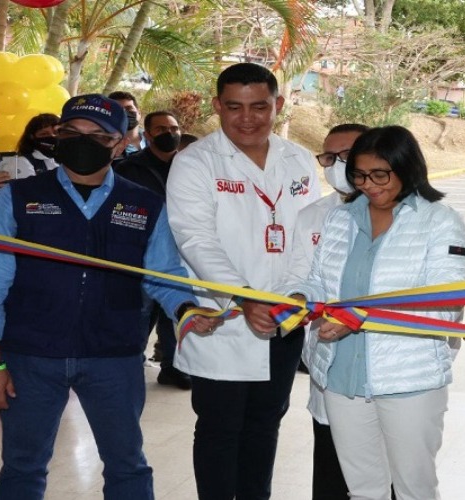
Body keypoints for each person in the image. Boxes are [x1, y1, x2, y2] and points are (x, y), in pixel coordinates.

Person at [0, 93, 221, 499]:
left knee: (127, 466)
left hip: (113, 356)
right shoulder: (16, 198)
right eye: (71, 132)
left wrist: (185, 309)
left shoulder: (145, 204)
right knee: (23, 467)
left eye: (98, 135)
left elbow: (163, 274)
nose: (82, 142)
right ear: (58, 135)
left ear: (120, 143)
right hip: (30, 357)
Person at [281, 125, 465, 500]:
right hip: (340, 377)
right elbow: (319, 279)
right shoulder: (341, 218)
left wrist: (359, 319)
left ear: (408, 169)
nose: (368, 185)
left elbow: (444, 307)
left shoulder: (439, 221)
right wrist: (300, 297)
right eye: (360, 175)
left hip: (408, 380)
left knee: (413, 488)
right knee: (364, 490)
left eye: (380, 174)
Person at [166, 62, 320, 499]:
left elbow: (308, 236)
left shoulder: (299, 160)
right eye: (234, 107)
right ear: (218, 106)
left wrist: (294, 294)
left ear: (279, 105)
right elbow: (196, 239)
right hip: (223, 320)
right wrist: (246, 298)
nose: (247, 118)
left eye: (259, 106)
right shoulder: (195, 162)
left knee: (265, 426)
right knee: (219, 430)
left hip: (284, 318)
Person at [286, 123, 368, 500]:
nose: (337, 165)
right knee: (332, 477)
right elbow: (300, 281)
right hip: (328, 363)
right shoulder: (312, 217)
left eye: (348, 155)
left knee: (388, 480)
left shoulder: (417, 215)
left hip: (389, 372)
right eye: (329, 158)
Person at [115, 110, 190, 389]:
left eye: (173, 127)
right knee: (142, 314)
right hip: (142, 252)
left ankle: (173, 366)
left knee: (176, 310)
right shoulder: (129, 168)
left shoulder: (190, 166)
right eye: (160, 129)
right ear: (147, 135)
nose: (168, 133)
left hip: (183, 249)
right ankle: (131, 364)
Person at [14, 113, 60, 178]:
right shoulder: (23, 162)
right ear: (32, 137)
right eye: (44, 134)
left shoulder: (65, 159)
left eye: (56, 133)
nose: (52, 136)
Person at [108, 90, 147, 160]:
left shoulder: (153, 139)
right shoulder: (106, 145)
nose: (124, 113)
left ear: (139, 113)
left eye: (129, 108)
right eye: (118, 110)